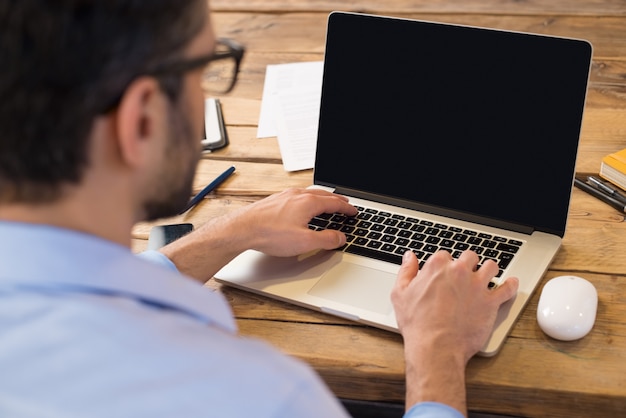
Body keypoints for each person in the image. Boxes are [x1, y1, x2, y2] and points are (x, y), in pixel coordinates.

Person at [0, 1, 519, 417]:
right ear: (141, 119)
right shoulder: (261, 397)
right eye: (202, 71)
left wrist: (229, 233)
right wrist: (438, 354)